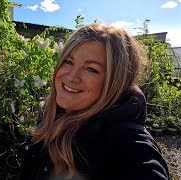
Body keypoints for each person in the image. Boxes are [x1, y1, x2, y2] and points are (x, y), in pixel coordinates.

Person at [20, 23, 169, 180]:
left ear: (115, 82)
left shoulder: (129, 147)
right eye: (68, 61)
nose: (71, 76)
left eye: (91, 69)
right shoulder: (51, 115)